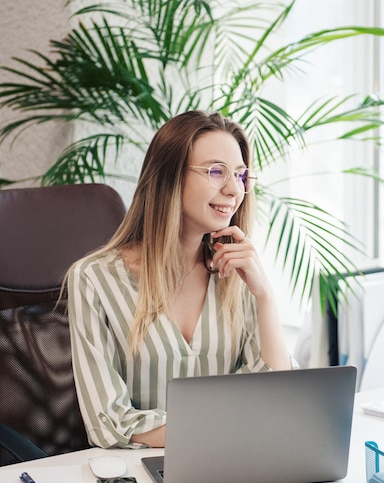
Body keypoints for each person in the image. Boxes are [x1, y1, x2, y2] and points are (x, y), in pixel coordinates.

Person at [67, 110, 294, 449]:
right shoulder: (94, 279)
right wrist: (225, 431)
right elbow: (110, 422)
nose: (234, 189)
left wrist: (266, 297)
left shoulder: (237, 273)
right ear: (169, 177)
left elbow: (281, 397)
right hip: (146, 475)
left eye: (241, 175)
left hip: (234, 463)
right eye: (217, 171)